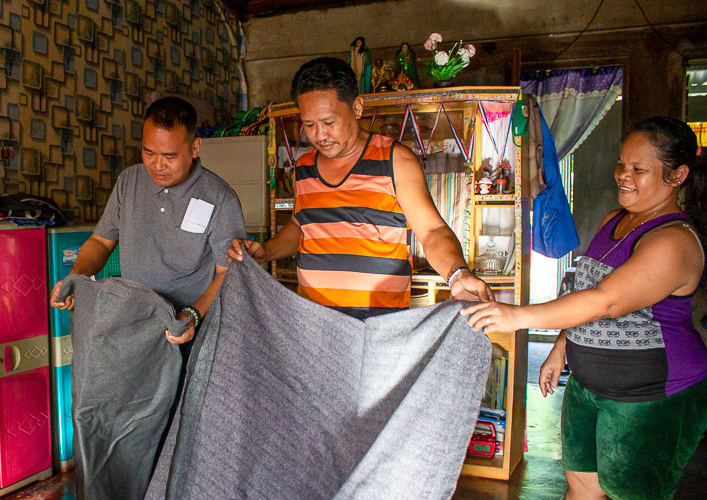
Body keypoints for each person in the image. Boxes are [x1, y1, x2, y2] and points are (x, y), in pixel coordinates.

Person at [462, 116, 707, 500]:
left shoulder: (673, 241)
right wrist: (562, 346)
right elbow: (585, 286)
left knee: (633, 493)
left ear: (677, 176)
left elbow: (604, 301)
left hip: (649, 396)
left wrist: (517, 316)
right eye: (622, 164)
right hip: (588, 386)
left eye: (639, 169)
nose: (623, 175)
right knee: (580, 487)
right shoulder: (615, 220)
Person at [229, 57, 493, 320]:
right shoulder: (304, 166)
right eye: (309, 125)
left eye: (329, 123)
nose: (319, 135)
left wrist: (457, 274)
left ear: (356, 107)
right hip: (313, 321)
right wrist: (267, 251)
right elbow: (302, 225)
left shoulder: (395, 161)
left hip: (377, 324)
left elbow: (432, 231)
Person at [49, 96, 246, 344]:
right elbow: (101, 242)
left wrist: (193, 315)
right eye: (148, 152)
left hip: (190, 330)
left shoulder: (219, 198)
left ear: (195, 148)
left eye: (170, 156)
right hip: (134, 323)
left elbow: (229, 272)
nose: (157, 165)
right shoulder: (129, 182)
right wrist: (75, 276)